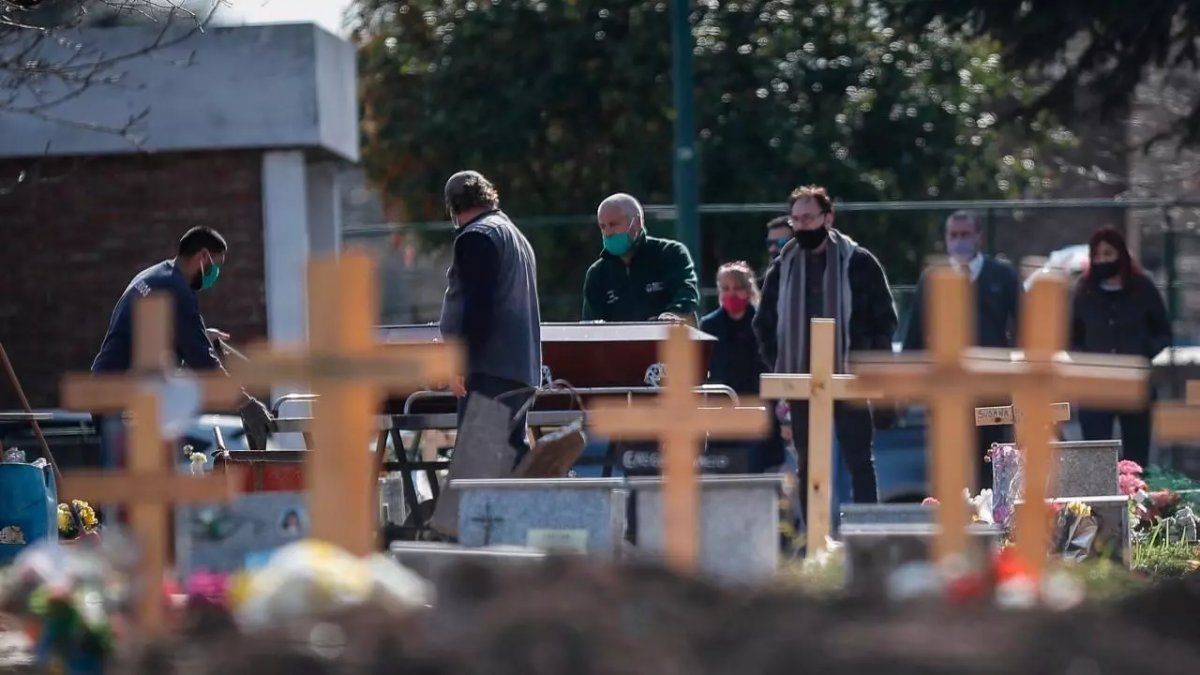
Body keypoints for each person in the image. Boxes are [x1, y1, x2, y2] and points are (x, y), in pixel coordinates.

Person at [754, 185, 897, 511]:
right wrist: (782, 365)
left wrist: (870, 366)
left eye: (809, 218)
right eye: (796, 220)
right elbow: (764, 324)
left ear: (828, 218)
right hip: (803, 382)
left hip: (850, 378)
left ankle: (866, 530)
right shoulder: (783, 267)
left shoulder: (859, 262)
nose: (802, 225)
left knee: (860, 462)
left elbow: (884, 321)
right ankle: (813, 537)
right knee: (808, 466)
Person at [91, 227, 233, 467]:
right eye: (216, 266)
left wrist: (202, 335)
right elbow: (202, 359)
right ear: (203, 257)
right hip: (128, 400)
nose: (215, 274)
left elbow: (161, 330)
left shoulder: (154, 275)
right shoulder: (177, 289)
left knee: (124, 480)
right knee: (139, 481)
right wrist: (244, 400)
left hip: (109, 390)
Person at [903, 210, 1021, 489]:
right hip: (947, 389)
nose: (959, 241)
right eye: (953, 235)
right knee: (948, 467)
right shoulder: (933, 279)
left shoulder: (1002, 276)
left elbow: (1026, 325)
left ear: (978, 236)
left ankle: (994, 516)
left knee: (993, 464)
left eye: (965, 234)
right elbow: (916, 333)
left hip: (992, 390)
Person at [438, 170, 542, 465]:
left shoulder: (477, 236)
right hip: (519, 368)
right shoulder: (514, 235)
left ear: (452, 206)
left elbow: (478, 304)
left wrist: (462, 358)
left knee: (480, 465)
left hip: (489, 370)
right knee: (509, 461)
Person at [1071, 226, 1170, 468]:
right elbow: (1071, 335)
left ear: (1121, 254)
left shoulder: (1143, 288)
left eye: (1108, 253)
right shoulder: (1084, 291)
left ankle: (1134, 491)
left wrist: (1142, 352)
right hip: (1095, 385)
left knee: (1136, 456)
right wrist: (1087, 360)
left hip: (1134, 380)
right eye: (1097, 255)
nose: (1103, 260)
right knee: (1097, 456)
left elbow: (1162, 331)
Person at [701, 261, 784, 472]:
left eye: (737, 288)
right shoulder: (709, 326)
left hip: (758, 409)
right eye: (725, 288)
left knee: (755, 469)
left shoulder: (764, 324)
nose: (731, 294)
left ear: (748, 290)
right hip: (721, 413)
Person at [581, 193, 700, 324]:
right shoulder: (598, 274)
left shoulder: (670, 253)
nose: (608, 232)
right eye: (603, 226)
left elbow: (686, 294)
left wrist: (673, 315)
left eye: (613, 224)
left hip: (670, 336)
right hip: (622, 338)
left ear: (636, 222)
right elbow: (591, 323)